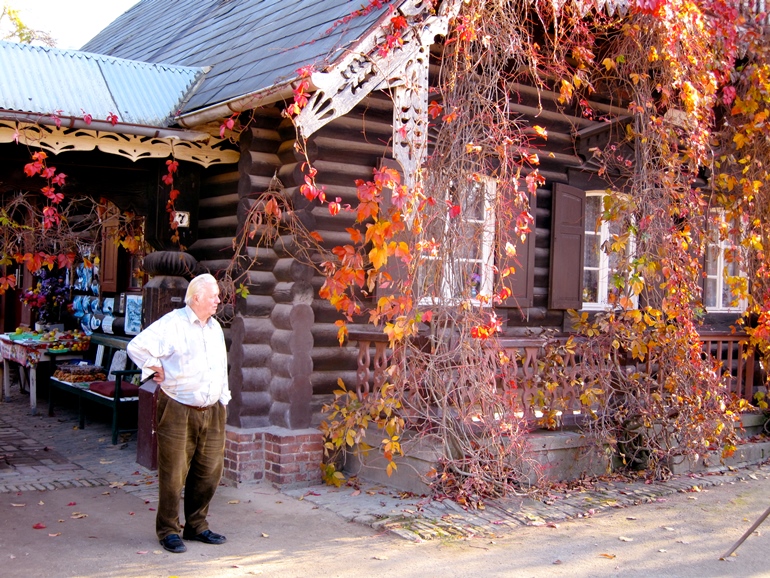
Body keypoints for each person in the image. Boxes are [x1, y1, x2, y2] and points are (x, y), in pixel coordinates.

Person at [127, 273, 230, 554]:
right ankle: (168, 530)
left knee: (209, 472)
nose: (218, 300)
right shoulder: (173, 323)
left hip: (213, 410)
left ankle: (196, 526)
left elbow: (220, 366)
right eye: (214, 296)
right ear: (196, 297)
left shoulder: (215, 328)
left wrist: (223, 398)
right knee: (173, 475)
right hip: (178, 409)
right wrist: (153, 366)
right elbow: (136, 346)